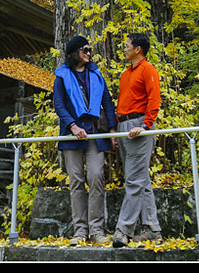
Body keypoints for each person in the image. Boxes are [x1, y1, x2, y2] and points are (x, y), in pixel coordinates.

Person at [53, 35, 117, 245]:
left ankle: (96, 230)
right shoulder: (61, 76)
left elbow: (107, 102)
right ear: (74, 53)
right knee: (76, 182)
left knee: (96, 177)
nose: (89, 53)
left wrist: (112, 129)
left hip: (94, 133)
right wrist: (73, 125)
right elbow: (59, 105)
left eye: (90, 50)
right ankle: (80, 231)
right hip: (71, 135)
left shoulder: (96, 75)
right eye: (85, 50)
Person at [112, 32, 162, 247]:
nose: (124, 49)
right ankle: (152, 229)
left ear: (137, 49)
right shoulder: (125, 74)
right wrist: (116, 129)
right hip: (124, 126)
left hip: (139, 126)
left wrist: (145, 125)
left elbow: (154, 99)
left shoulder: (148, 69)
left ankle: (123, 230)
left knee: (134, 180)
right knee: (140, 179)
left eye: (127, 46)